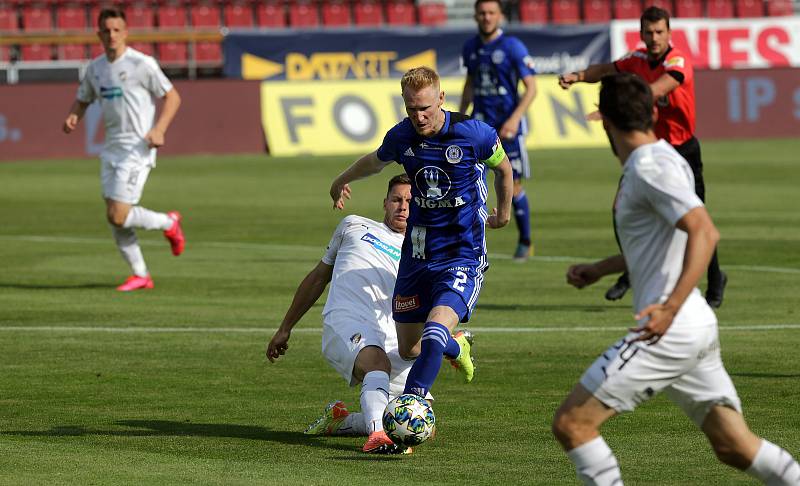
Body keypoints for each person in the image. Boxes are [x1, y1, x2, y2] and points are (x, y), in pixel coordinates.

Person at [551, 73, 800, 486]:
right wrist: (600, 269)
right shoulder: (662, 159)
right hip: (693, 326)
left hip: (670, 328)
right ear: (652, 111)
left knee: (573, 424)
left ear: (604, 122)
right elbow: (660, 242)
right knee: (735, 447)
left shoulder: (650, 167)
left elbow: (704, 231)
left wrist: (668, 307)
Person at [330, 66, 513, 404]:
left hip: (462, 253)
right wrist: (342, 179)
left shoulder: (474, 134)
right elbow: (374, 162)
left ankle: (411, 403)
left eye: (426, 107)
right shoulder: (402, 137)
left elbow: (502, 167)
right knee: (410, 348)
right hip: (416, 255)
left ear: (441, 99)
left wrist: (503, 212)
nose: (419, 115)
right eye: (411, 108)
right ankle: (458, 346)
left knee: (434, 330)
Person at [558, 6, 727, 307]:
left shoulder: (677, 61)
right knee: (620, 208)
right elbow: (606, 69)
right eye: (648, 32)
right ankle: (630, 272)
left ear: (669, 33)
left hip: (682, 150)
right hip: (647, 151)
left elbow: (658, 88)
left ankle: (715, 280)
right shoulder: (635, 60)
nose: (654, 38)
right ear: (641, 34)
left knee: (692, 216)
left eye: (659, 32)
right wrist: (579, 75)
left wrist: (618, 108)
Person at [266, 174, 423, 454]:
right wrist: (285, 327)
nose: (403, 207)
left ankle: (342, 421)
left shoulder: (420, 251)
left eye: (410, 202)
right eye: (397, 200)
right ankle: (378, 437)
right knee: (377, 366)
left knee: (417, 421)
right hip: (346, 321)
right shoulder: (353, 225)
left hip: (391, 333)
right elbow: (317, 278)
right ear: (385, 203)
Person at [62, 7, 184, 292]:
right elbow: (82, 99)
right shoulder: (96, 69)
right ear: (99, 34)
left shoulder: (143, 64)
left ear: (126, 33)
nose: (112, 35)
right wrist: (73, 116)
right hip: (111, 148)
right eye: (106, 31)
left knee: (119, 214)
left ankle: (169, 222)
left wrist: (159, 129)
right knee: (114, 216)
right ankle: (141, 274)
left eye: (117, 30)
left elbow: (173, 97)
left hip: (138, 147)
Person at [459, 0, 537, 262]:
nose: (486, 17)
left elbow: (532, 88)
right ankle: (466, 239)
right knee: (468, 180)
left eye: (491, 12)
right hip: (479, 127)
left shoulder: (512, 47)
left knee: (513, 184)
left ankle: (525, 241)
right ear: (475, 16)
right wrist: (460, 117)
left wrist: (515, 119)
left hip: (507, 129)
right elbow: (470, 84)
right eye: (482, 13)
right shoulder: (470, 46)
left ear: (500, 16)